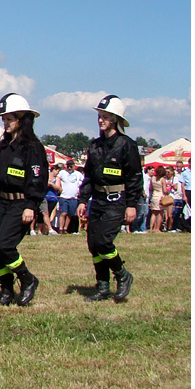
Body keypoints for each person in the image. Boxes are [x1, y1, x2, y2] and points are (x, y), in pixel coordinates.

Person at [78, 95, 142, 303]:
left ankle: (122, 274)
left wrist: (132, 205)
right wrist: (82, 200)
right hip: (97, 200)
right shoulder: (95, 145)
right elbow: (88, 175)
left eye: (105, 116)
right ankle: (103, 286)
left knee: (104, 241)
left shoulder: (127, 145)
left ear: (115, 119)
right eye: (99, 116)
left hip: (117, 200)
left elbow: (134, 177)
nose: (100, 120)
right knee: (93, 244)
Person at [0, 94, 46, 307]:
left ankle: (27, 278)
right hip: (4, 203)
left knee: (5, 245)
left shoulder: (33, 147)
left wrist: (32, 205)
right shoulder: (4, 146)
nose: (5, 123)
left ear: (22, 119)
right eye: (4, 119)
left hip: (21, 204)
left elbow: (37, 179)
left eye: (9, 118)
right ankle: (7, 290)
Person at [57, 160, 82, 234]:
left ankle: (65, 229)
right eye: (68, 166)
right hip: (64, 196)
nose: (70, 167)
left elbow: (83, 181)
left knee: (70, 214)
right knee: (63, 213)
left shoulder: (78, 174)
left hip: (73, 197)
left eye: (71, 166)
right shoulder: (63, 173)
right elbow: (58, 178)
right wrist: (59, 186)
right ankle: (60, 228)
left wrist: (79, 189)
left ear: (74, 166)